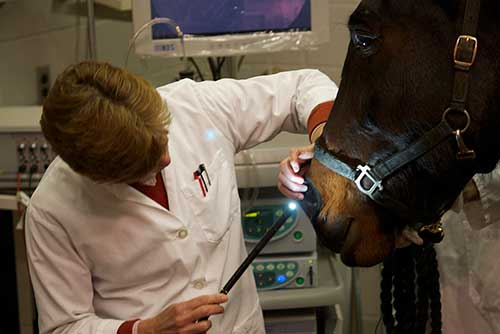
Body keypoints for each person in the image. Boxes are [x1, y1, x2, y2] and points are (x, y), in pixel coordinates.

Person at [25, 61, 338, 334]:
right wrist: (143, 330)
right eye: (145, 164)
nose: (167, 158)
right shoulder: (53, 209)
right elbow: (64, 326)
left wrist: (323, 149)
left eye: (163, 135)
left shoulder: (192, 105)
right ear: (99, 175)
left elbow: (303, 86)